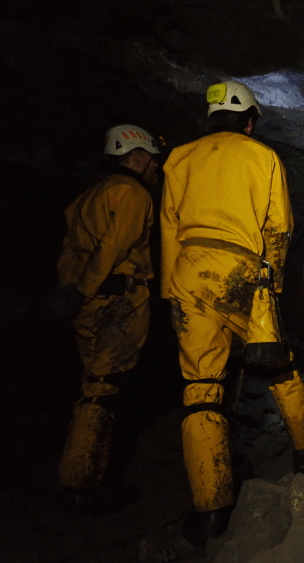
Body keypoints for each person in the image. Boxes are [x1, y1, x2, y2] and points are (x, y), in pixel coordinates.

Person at [161, 80, 304, 544]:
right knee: (276, 362)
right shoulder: (262, 156)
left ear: (211, 118)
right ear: (249, 120)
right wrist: (270, 286)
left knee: (201, 387)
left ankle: (212, 508)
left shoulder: (178, 158)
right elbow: (278, 226)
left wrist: (171, 289)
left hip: (190, 268)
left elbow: (170, 226)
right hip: (244, 267)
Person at [51, 124, 161, 513]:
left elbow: (71, 250)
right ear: (136, 158)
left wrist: (70, 289)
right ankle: (82, 484)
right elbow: (115, 245)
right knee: (104, 388)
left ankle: (81, 474)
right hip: (119, 299)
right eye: (151, 161)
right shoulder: (132, 193)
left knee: (91, 387)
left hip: (87, 304)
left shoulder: (86, 197)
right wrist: (88, 287)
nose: (155, 169)